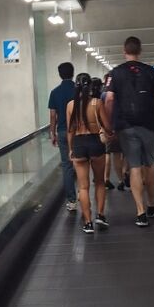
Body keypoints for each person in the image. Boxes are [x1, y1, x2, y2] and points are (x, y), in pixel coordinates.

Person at [105, 36, 154, 227]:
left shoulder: (116, 73)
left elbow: (109, 99)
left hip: (126, 125)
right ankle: (151, 204)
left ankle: (140, 213)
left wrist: (109, 124)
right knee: (150, 163)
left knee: (134, 166)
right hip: (150, 123)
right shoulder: (150, 71)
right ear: (140, 51)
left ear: (124, 51)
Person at [66, 72, 111, 233]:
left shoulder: (70, 105)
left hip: (79, 144)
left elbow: (70, 131)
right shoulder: (97, 103)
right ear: (90, 86)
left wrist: (71, 149)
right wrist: (110, 133)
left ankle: (87, 222)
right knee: (99, 182)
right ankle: (100, 215)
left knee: (83, 187)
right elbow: (107, 126)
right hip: (95, 142)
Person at [48, 61, 77, 212]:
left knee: (66, 165)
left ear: (60, 75)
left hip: (62, 132)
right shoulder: (78, 90)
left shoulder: (55, 92)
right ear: (73, 73)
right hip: (78, 132)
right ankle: (84, 193)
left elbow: (53, 116)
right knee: (82, 163)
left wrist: (52, 133)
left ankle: (72, 201)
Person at [99, 73, 125, 190]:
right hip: (120, 126)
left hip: (108, 127)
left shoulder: (104, 95)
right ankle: (121, 179)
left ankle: (107, 179)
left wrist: (103, 127)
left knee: (108, 153)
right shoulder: (122, 94)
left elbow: (100, 112)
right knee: (119, 154)